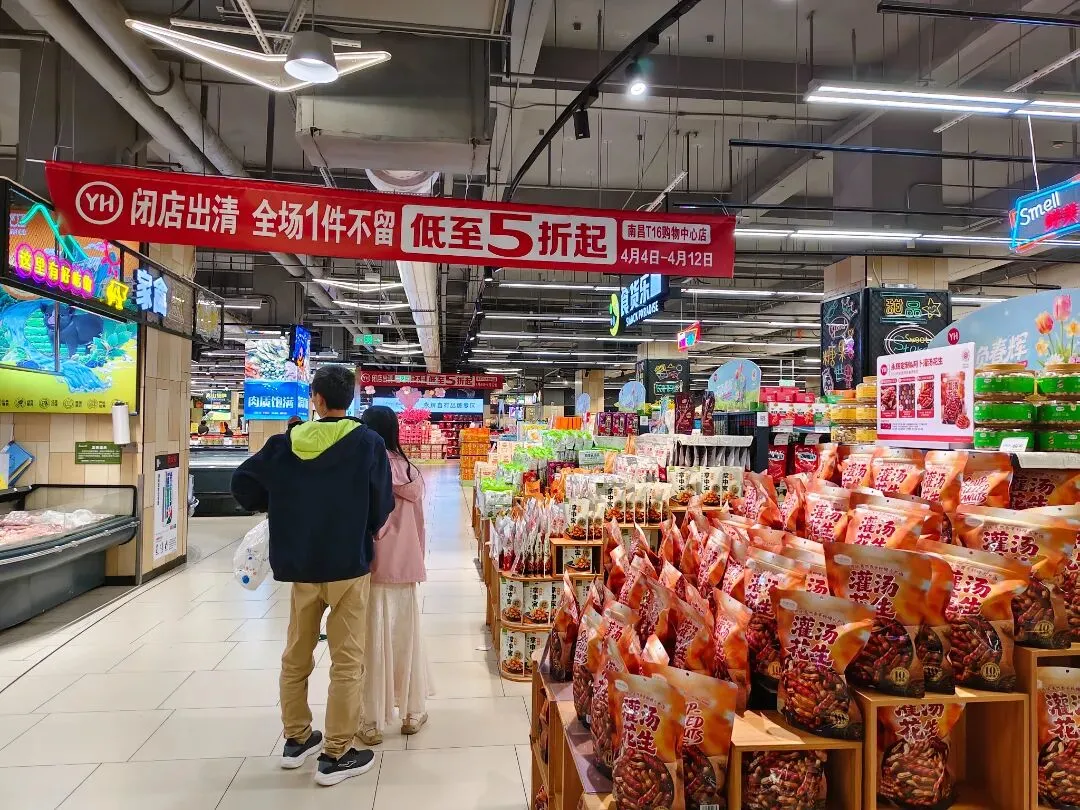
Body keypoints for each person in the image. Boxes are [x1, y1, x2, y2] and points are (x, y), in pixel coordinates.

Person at [231, 365, 394, 787]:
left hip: (301, 566)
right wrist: (363, 526)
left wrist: (281, 504)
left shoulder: (285, 443)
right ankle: (336, 753)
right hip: (347, 565)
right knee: (347, 660)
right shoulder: (368, 443)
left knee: (297, 653)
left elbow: (243, 484)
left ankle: (296, 738)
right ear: (350, 399)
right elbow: (382, 504)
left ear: (316, 400)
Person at [356, 405, 431, 744]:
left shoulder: (365, 467)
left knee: (372, 642)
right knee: (406, 638)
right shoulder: (411, 471)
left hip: (372, 566)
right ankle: (412, 712)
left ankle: (371, 720)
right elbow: (420, 524)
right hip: (407, 566)